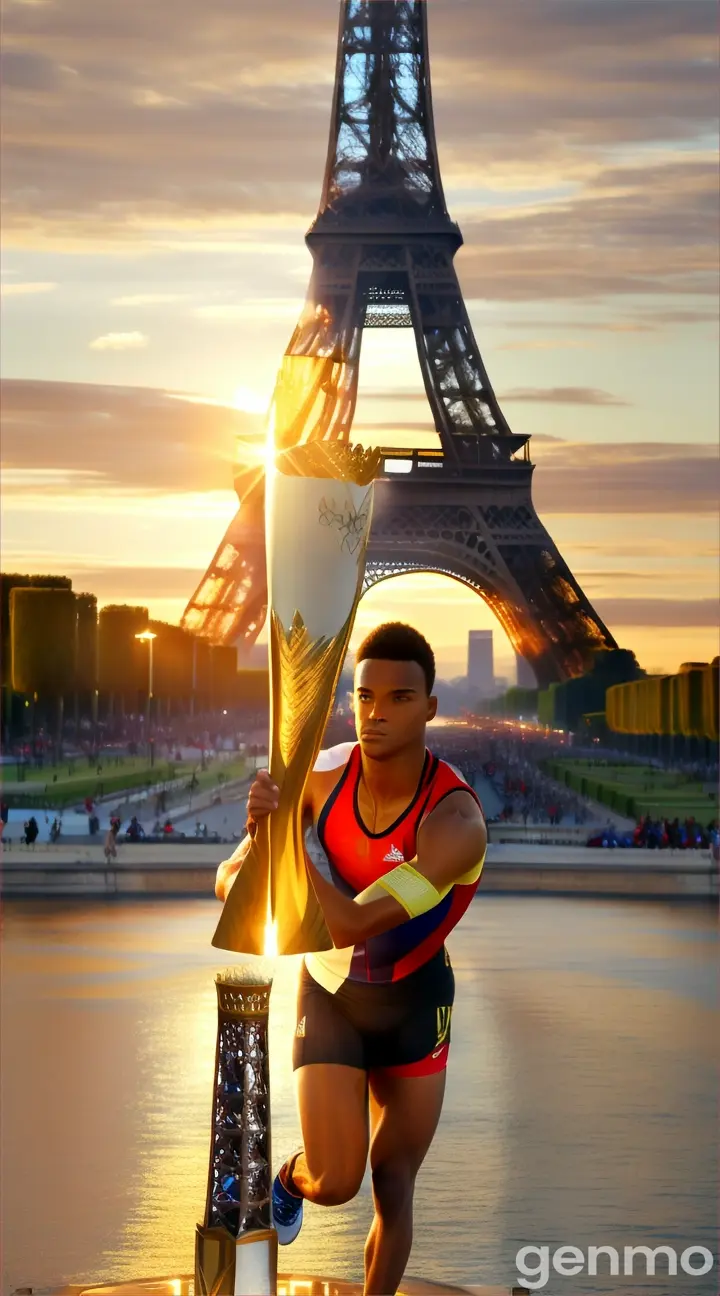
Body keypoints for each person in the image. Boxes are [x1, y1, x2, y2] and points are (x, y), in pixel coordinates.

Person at [215, 623, 487, 1294]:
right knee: (337, 1181)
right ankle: (290, 1179)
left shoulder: (456, 825)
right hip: (332, 996)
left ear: (431, 706)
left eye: (399, 698)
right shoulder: (320, 776)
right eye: (365, 697)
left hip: (416, 1003)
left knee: (393, 1182)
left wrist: (288, 849)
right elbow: (229, 882)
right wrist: (262, 845)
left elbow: (358, 921)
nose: (376, 714)